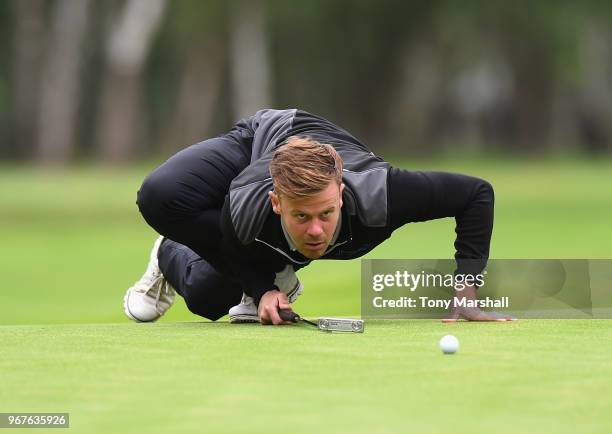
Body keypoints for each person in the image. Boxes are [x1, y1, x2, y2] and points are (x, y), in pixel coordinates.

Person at [123, 109, 510, 325]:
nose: (316, 231)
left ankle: (277, 268)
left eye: (326, 213)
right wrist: (262, 289)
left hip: (297, 156)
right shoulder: (243, 209)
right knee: (160, 197)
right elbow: (233, 249)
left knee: (209, 297)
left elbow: (476, 194)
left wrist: (466, 290)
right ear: (277, 204)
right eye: (301, 216)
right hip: (258, 141)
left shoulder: (386, 195)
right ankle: (169, 251)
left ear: (341, 195)